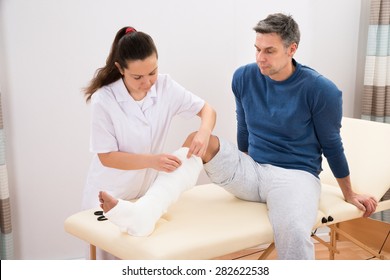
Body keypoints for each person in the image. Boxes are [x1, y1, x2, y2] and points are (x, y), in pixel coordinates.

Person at [100, 13, 378, 260]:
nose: (260, 58)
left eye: (269, 51)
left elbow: (332, 145)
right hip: (251, 169)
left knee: (293, 230)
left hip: (294, 176)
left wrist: (349, 193)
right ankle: (146, 212)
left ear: (292, 49)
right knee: (200, 139)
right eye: (257, 49)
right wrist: (241, 164)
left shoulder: (321, 90)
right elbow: (243, 128)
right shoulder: (244, 77)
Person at [82, 26, 216, 258]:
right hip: (111, 192)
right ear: (120, 69)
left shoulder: (165, 86)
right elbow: (107, 157)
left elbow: (207, 110)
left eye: (152, 72)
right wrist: (152, 161)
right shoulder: (104, 100)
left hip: (144, 195)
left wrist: (203, 132)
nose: (148, 82)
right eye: (137, 77)